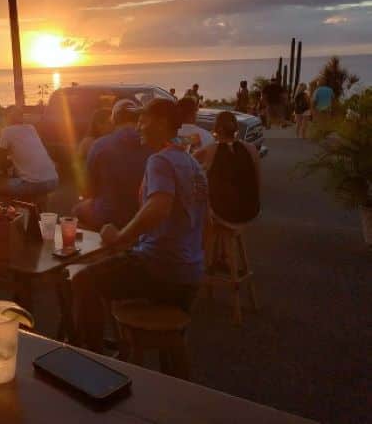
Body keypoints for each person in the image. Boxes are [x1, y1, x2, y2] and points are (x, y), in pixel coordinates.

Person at [71, 98, 208, 353]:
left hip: (159, 270)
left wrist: (120, 236)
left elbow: (159, 206)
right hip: (190, 276)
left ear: (162, 123)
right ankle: (121, 347)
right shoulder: (192, 165)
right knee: (116, 267)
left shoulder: (160, 161)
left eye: (143, 120)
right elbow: (204, 222)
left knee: (82, 280)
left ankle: (94, 358)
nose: (138, 126)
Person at [73, 99, 151, 230]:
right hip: (143, 215)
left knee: (76, 211)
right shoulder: (152, 144)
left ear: (114, 120)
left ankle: (93, 246)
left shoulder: (99, 145)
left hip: (107, 216)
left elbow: (88, 189)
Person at [194, 111, 261, 226]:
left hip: (222, 213)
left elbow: (187, 161)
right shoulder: (251, 148)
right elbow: (258, 180)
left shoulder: (210, 150)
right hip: (251, 210)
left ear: (216, 128)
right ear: (235, 127)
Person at [0, 107, 58, 197]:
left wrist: (7, 168)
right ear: (21, 117)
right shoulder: (31, 128)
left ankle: (12, 209)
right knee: (28, 183)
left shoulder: (7, 131)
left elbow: (1, 162)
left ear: (7, 118)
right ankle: (39, 208)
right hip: (53, 180)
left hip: (34, 184)